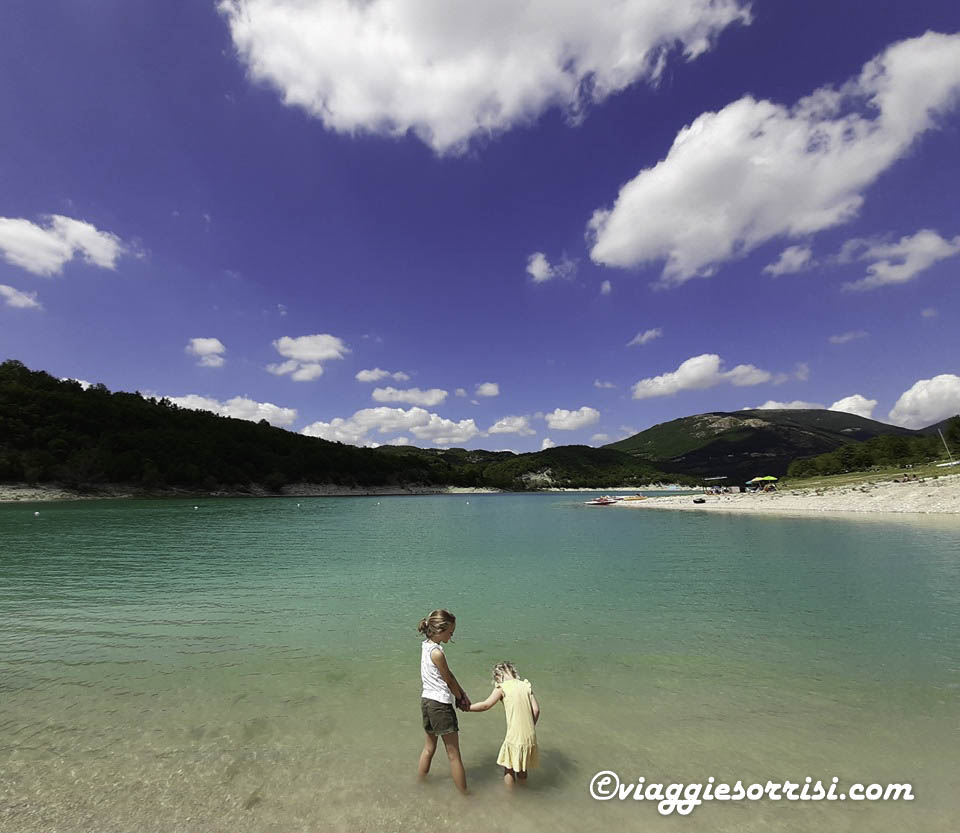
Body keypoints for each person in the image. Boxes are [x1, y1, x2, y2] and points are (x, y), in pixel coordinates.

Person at [416, 609, 471, 793]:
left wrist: (461, 692)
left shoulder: (426, 646)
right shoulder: (438, 653)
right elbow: (448, 679)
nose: (452, 635)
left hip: (427, 701)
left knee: (429, 747)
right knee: (454, 755)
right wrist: (460, 698)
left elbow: (448, 676)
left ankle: (420, 783)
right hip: (440, 705)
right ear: (440, 630)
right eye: (450, 632)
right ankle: (465, 795)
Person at [468, 661, 540, 787]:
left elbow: (486, 705)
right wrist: (530, 725)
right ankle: (524, 790)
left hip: (514, 736)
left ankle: (510, 798)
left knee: (509, 767)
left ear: (498, 677)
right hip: (530, 736)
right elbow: (536, 710)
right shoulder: (526, 685)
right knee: (522, 766)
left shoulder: (502, 688)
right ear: (513, 672)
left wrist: (468, 707)